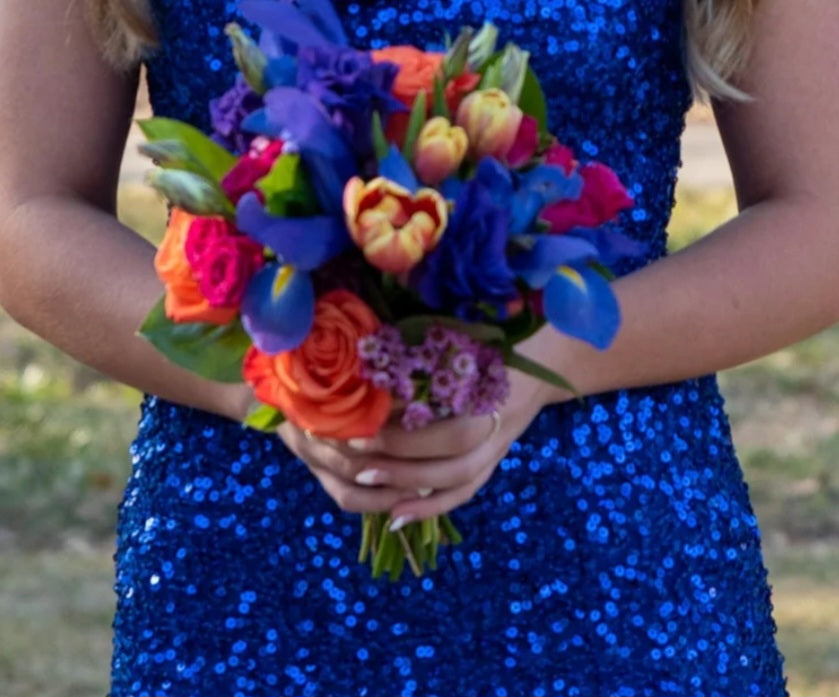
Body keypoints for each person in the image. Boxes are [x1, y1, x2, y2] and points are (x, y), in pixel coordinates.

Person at [0, 0, 836, 694]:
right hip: (242, 577)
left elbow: (819, 215)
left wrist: (545, 364)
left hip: (623, 571)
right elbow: (24, 207)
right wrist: (266, 381)